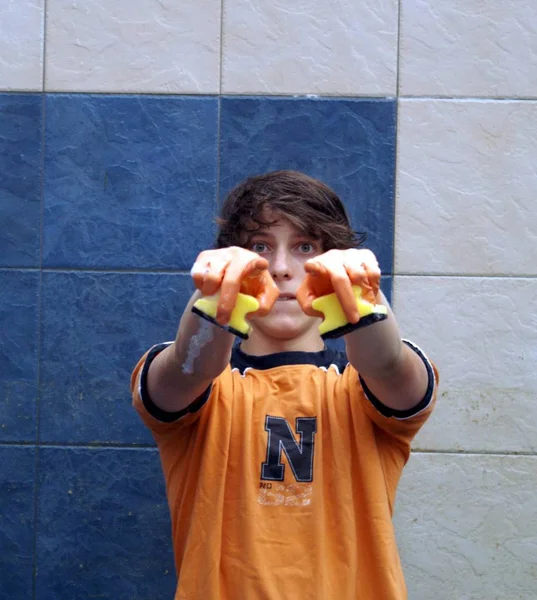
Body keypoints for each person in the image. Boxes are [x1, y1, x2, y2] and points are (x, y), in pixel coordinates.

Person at [131, 170, 438, 600]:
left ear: (334, 262)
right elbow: (187, 369)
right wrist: (216, 299)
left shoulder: (359, 392)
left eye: (305, 247)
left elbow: (388, 368)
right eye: (260, 247)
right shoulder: (210, 393)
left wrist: (364, 301)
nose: (279, 268)